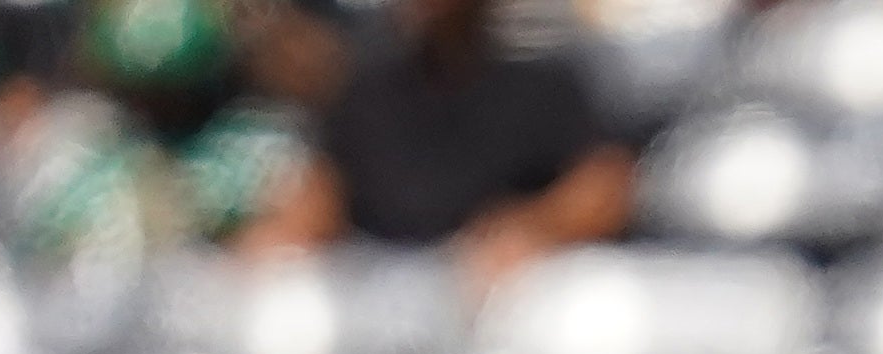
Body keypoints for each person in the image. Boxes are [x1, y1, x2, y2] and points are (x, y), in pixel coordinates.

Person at [267, 0, 629, 267]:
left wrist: (536, 225)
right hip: (387, 295)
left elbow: (605, 184)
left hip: (508, 303)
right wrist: (291, 229)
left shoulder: (543, 80)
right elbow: (323, 188)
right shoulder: (366, 88)